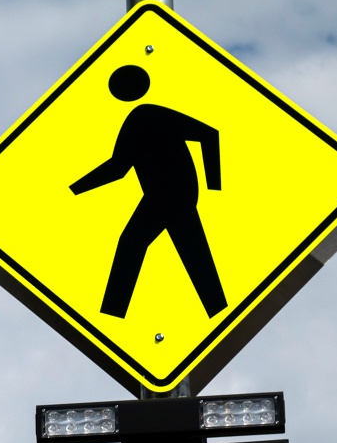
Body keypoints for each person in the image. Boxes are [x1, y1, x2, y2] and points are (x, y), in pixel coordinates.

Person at [69, 63, 226, 319]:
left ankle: (112, 313)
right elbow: (119, 168)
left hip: (170, 193)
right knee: (192, 252)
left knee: (134, 243)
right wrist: (75, 189)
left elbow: (209, 135)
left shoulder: (147, 115)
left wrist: (214, 185)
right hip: (166, 194)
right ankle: (219, 311)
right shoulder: (138, 119)